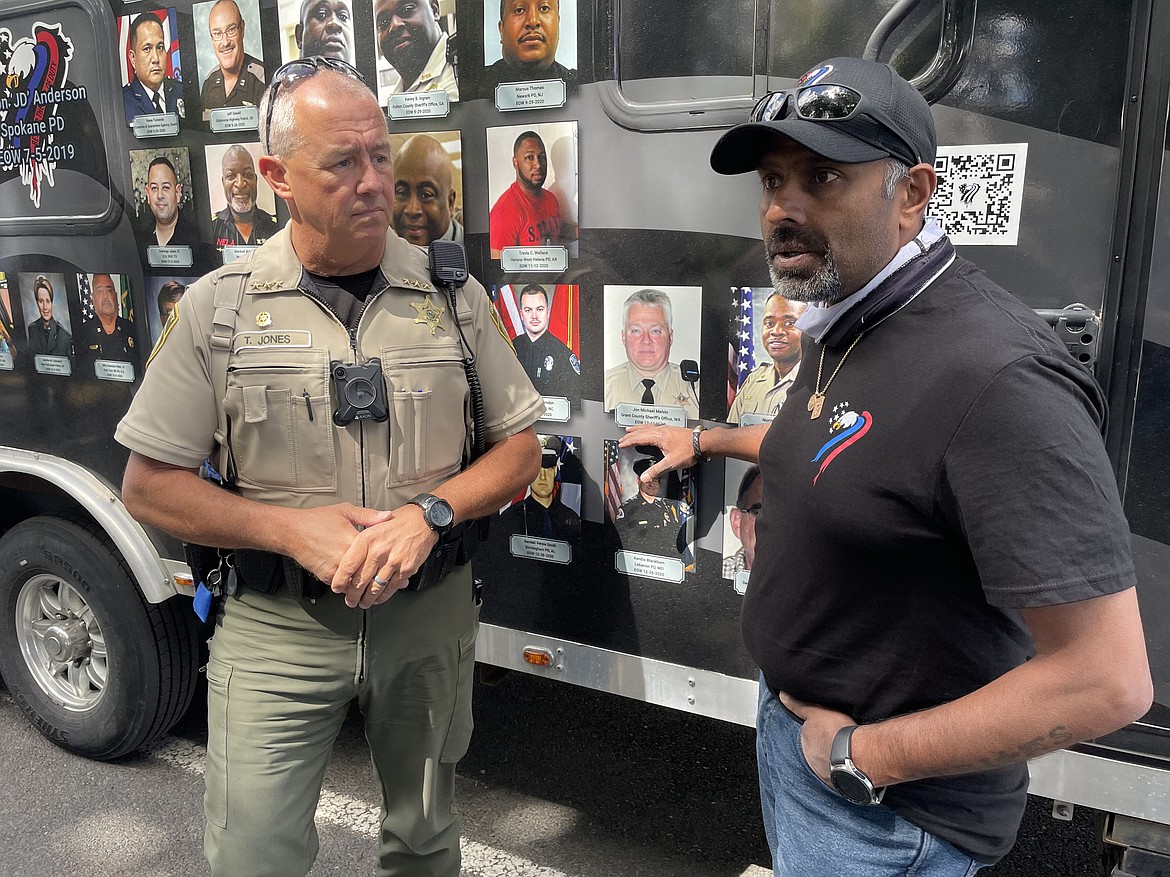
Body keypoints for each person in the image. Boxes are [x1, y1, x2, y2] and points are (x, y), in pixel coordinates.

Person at [620, 57, 1152, 875]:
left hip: (884, 813)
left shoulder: (995, 377)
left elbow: (1107, 679)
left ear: (912, 195)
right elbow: (852, 450)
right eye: (771, 180)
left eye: (823, 177)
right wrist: (712, 439)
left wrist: (867, 756)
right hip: (802, 747)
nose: (781, 210)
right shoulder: (852, 314)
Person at [115, 59, 543, 877]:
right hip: (279, 629)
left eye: (380, 155)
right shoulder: (220, 306)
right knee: (253, 853)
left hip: (428, 618)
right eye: (343, 163)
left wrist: (433, 515)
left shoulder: (452, 296)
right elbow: (148, 484)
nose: (374, 181)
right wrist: (287, 530)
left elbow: (520, 449)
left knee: (424, 841)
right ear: (276, 176)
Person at [603, 288, 698, 418]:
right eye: (636, 331)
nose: (646, 340)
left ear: (670, 337)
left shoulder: (696, 392)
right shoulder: (604, 387)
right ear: (623, 337)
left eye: (655, 331)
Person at [727, 293, 806, 423]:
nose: (776, 331)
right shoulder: (754, 380)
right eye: (769, 323)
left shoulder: (818, 383)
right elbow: (731, 432)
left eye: (789, 323)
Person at [489, 131, 562, 257]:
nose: (538, 164)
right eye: (529, 157)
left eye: (542, 157)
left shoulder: (551, 199)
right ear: (515, 163)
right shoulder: (504, 213)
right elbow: (497, 270)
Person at [500, 437, 580, 541]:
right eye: (537, 470)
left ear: (555, 470)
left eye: (548, 468)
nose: (543, 477)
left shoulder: (571, 518)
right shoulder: (509, 518)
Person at [375, 0, 458, 99]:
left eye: (406, 10)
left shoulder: (464, 70)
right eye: (383, 22)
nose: (394, 26)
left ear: (434, 10)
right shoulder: (396, 96)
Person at [510, 283, 579, 398]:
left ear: (547, 312)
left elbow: (573, 401)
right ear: (521, 314)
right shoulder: (511, 348)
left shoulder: (562, 353)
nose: (534, 316)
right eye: (528, 310)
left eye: (539, 309)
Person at [392, 134, 463, 245]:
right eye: (402, 193)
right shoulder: (379, 251)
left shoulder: (476, 251)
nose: (412, 210)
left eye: (426, 195)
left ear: (450, 202)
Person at [200, 0, 266, 115]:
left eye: (231, 30)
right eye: (217, 33)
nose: (225, 42)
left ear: (242, 29)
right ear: (211, 38)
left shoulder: (262, 78)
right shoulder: (208, 83)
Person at [614, 457, 689, 557]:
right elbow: (619, 540)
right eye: (648, 481)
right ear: (638, 480)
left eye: (655, 481)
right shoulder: (627, 509)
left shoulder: (667, 506)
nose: (652, 484)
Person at [488, 0, 575, 84]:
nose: (533, 21)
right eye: (519, 10)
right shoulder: (476, 87)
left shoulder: (581, 87)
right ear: (502, 30)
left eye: (544, 8)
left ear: (557, 22)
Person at [212, 145, 278, 250]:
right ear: (223, 182)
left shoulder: (276, 226)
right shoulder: (212, 227)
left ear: (255, 180)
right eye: (231, 176)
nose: (240, 184)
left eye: (247, 174)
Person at [137, 156, 201, 262]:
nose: (160, 195)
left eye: (166, 187)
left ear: (178, 192)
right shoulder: (139, 240)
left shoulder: (196, 237)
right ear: (148, 194)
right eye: (154, 188)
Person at [122, 13, 184, 122]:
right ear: (133, 58)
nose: (155, 58)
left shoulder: (181, 91)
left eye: (160, 47)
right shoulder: (123, 103)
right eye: (147, 49)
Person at [77, 273, 140, 368]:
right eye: (100, 292)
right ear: (93, 299)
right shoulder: (83, 333)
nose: (105, 296)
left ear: (115, 296)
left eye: (109, 290)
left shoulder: (132, 329)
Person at [722, 465, 760, 578]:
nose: (769, 523)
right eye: (758, 512)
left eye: (780, 514)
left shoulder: (807, 588)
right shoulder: (712, 580)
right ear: (737, 522)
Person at [25, 275, 71, 357]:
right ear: (37, 303)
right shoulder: (32, 329)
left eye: (48, 301)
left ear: (52, 302)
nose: (45, 307)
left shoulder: (64, 335)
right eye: (41, 301)